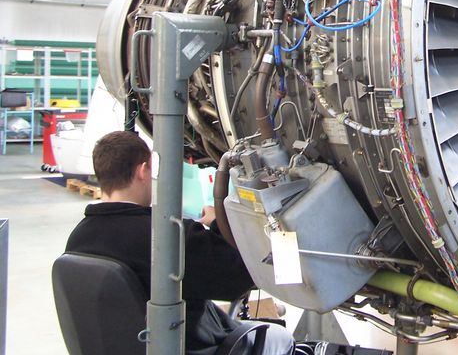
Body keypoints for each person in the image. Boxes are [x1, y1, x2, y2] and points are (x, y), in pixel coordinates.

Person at [64, 130, 295, 355]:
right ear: (143, 171)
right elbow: (240, 278)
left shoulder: (78, 239)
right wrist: (218, 222)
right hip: (193, 346)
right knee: (281, 338)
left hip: (124, 346)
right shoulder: (166, 236)